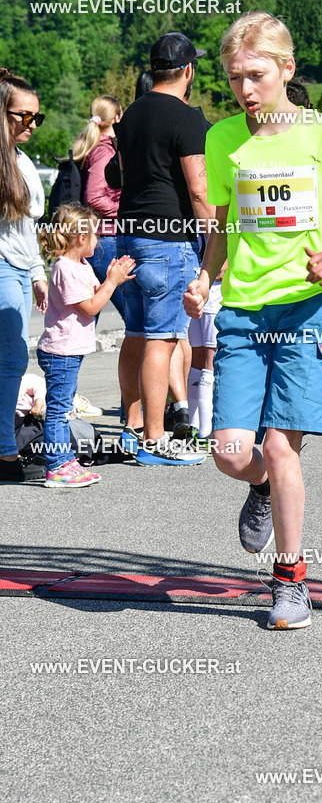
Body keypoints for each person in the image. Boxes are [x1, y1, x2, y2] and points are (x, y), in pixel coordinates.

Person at [184, 10, 322, 630]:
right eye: (235, 77)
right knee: (227, 450)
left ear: (286, 69)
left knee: (279, 444)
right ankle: (262, 487)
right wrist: (205, 276)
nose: (245, 90)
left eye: (257, 76)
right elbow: (220, 225)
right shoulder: (222, 140)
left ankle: (291, 580)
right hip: (242, 309)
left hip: (305, 308)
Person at [115, 32, 211, 465]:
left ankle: (132, 429)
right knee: (163, 340)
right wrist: (215, 239)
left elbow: (121, 176)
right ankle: (156, 441)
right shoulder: (187, 118)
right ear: (188, 70)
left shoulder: (130, 115)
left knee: (136, 335)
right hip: (168, 241)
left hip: (130, 234)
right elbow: (197, 188)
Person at [36, 203, 135, 487]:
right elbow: (91, 307)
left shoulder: (81, 265)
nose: (98, 240)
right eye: (94, 235)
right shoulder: (64, 269)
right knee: (58, 409)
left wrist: (110, 277)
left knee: (64, 408)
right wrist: (112, 283)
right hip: (60, 352)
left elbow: (94, 292)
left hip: (69, 351)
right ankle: (57, 466)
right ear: (81, 239)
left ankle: (65, 460)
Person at [0, 68, 49, 484]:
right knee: (12, 359)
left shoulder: (20, 159)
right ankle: (3, 454)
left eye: (37, 117)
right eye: (23, 116)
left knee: (11, 360)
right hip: (2, 268)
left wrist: (36, 271)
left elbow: (25, 227)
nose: (31, 124)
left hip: (17, 267)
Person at [72, 95, 125, 318]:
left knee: (87, 317)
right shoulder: (103, 150)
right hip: (106, 240)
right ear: (116, 118)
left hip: (98, 240)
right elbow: (93, 197)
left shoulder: (88, 145)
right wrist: (122, 211)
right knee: (134, 319)